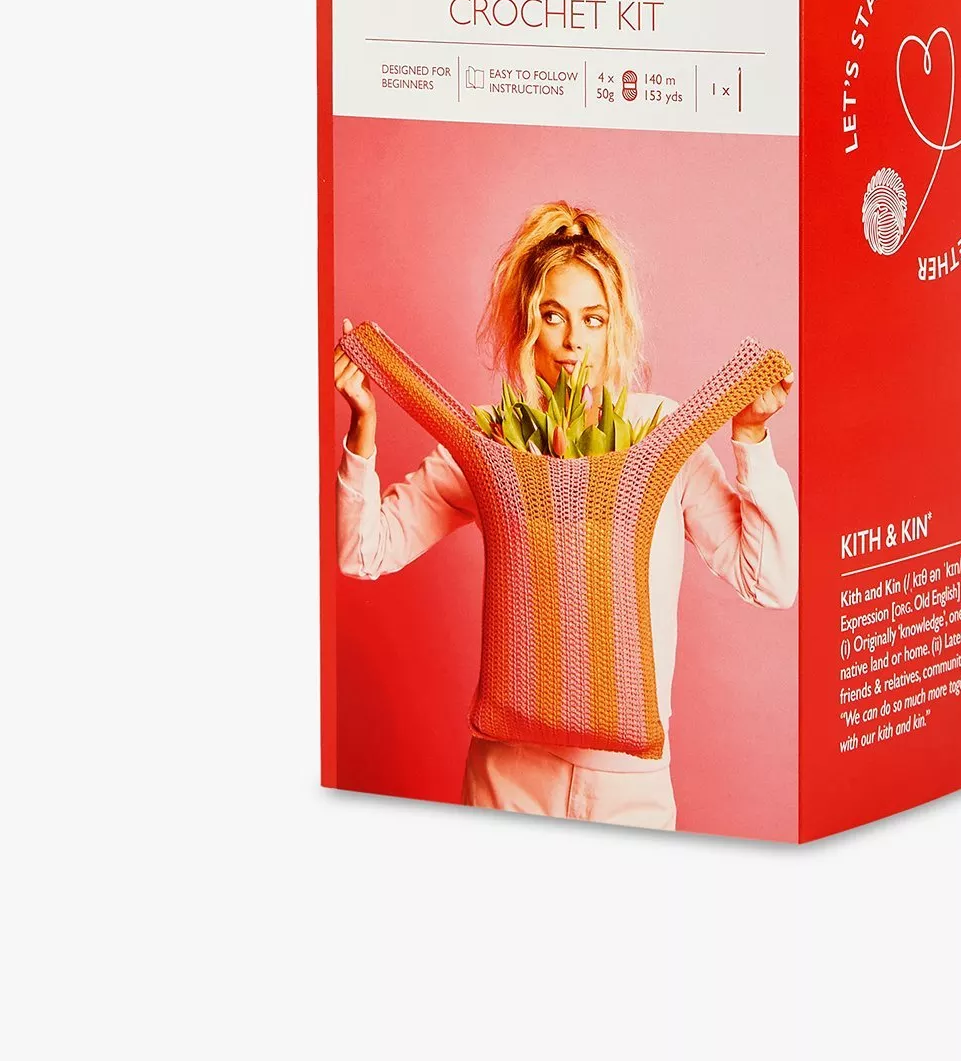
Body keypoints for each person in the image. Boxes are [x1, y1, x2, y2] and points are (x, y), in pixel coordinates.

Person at [332, 199, 797, 826]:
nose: (574, 341)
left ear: (614, 329)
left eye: (592, 319)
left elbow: (771, 582)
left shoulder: (663, 435)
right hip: (508, 774)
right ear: (526, 327)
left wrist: (751, 438)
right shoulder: (491, 442)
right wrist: (362, 427)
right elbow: (364, 552)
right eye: (552, 316)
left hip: (628, 786)